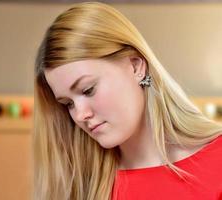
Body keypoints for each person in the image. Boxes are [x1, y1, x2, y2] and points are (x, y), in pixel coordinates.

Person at [34, 2, 222, 200]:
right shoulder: (78, 186)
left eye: (88, 90)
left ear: (135, 66)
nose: (80, 115)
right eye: (68, 104)